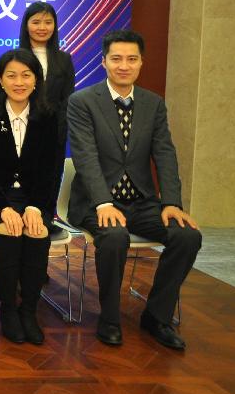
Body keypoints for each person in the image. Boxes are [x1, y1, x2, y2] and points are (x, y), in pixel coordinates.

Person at [68, 29, 201, 350]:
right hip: (96, 202)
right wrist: (103, 202)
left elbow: (165, 153)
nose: (124, 66)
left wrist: (171, 202)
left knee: (187, 236)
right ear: (104, 62)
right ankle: (110, 318)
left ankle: (157, 316)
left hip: (142, 203)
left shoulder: (153, 104)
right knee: (115, 237)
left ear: (141, 62)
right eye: (116, 59)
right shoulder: (82, 101)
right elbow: (85, 156)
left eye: (132, 59)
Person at [0, 49, 59, 344]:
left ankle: (28, 311)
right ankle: (8, 311)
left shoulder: (49, 115)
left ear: (36, 80)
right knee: (10, 231)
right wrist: (4, 207)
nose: (19, 82)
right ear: (0, 80)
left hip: (33, 199)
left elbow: (50, 170)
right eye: (12, 75)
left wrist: (35, 207)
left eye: (26, 75)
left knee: (36, 231)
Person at [18, 1, 75, 210]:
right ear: (26, 26)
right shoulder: (15, 58)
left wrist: (58, 130)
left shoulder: (64, 59)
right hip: (20, 130)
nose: (42, 27)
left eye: (48, 22)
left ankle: (45, 221)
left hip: (54, 133)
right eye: (36, 22)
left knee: (49, 183)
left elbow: (67, 99)